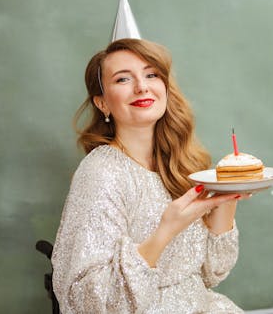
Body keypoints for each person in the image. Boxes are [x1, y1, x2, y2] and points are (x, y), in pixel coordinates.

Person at [51, 38, 248, 313]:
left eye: (151, 74)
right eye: (123, 79)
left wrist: (229, 196)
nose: (142, 86)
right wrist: (165, 231)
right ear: (102, 103)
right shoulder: (102, 172)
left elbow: (211, 272)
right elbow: (88, 300)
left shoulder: (182, 163)